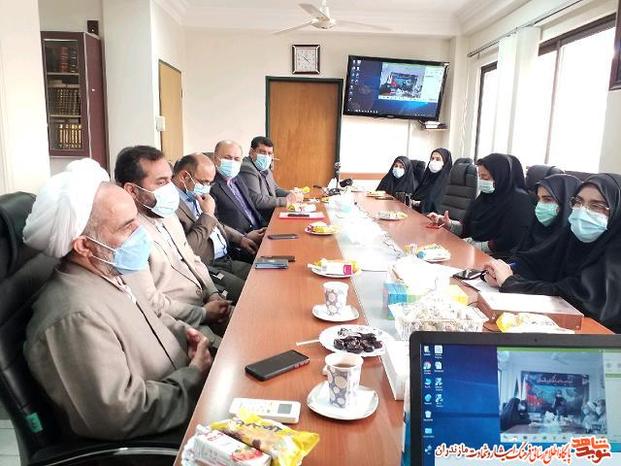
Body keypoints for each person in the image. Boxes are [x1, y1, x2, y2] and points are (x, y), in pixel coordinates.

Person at [22, 159, 211, 440]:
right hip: (162, 442)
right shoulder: (74, 317)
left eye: (137, 220)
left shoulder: (113, 271)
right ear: (84, 246)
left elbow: (154, 318)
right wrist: (194, 376)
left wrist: (193, 338)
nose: (141, 232)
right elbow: (120, 414)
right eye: (127, 227)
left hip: (188, 402)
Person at [114, 145, 232, 340]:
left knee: (254, 322)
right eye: (161, 182)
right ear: (132, 190)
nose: (170, 188)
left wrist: (212, 293)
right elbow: (150, 302)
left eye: (170, 179)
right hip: (178, 321)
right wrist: (203, 314)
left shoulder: (167, 214)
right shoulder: (127, 235)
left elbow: (192, 258)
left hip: (205, 302)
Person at [482, 174, 621, 332]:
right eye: (578, 202)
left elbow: (580, 299)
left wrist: (511, 282)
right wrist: (504, 272)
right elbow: (538, 263)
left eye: (596, 206)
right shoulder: (571, 236)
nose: (583, 211)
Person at [172, 153, 262, 302]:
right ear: (184, 176)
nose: (206, 188)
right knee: (251, 295)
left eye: (210, 183)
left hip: (225, 259)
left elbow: (215, 223)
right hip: (206, 267)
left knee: (263, 278)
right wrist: (207, 214)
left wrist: (240, 239)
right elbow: (185, 251)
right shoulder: (171, 205)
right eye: (204, 182)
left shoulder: (193, 194)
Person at [427, 153, 533, 257]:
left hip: (496, 257)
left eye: (485, 177)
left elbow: (509, 241)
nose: (482, 181)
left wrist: (472, 246)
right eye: (480, 177)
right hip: (474, 251)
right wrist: (449, 224)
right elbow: (468, 227)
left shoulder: (519, 200)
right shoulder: (485, 196)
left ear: (500, 176)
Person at [209, 140, 267, 234]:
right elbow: (214, 223)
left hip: (259, 230)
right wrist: (244, 237)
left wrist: (267, 227)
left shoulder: (238, 178)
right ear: (215, 159)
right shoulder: (210, 185)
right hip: (240, 239)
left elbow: (250, 210)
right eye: (227, 158)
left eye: (236, 159)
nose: (232, 162)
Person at [238, 136, 303, 220]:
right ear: (251, 152)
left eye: (269, 153)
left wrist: (291, 194)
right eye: (262, 152)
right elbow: (257, 200)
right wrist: (286, 201)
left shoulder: (265, 168)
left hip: (272, 213)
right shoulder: (247, 168)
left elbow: (275, 189)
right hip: (261, 219)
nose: (266, 156)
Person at [517, 174, 581, 252]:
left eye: (548, 199)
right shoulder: (534, 231)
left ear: (567, 201)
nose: (540, 205)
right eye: (538, 199)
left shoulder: (574, 243)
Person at [411, 148, 453, 214]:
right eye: (432, 158)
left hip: (431, 216)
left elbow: (436, 205)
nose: (434, 161)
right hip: (415, 211)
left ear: (445, 162)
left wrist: (418, 203)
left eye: (438, 159)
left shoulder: (447, 182)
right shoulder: (427, 177)